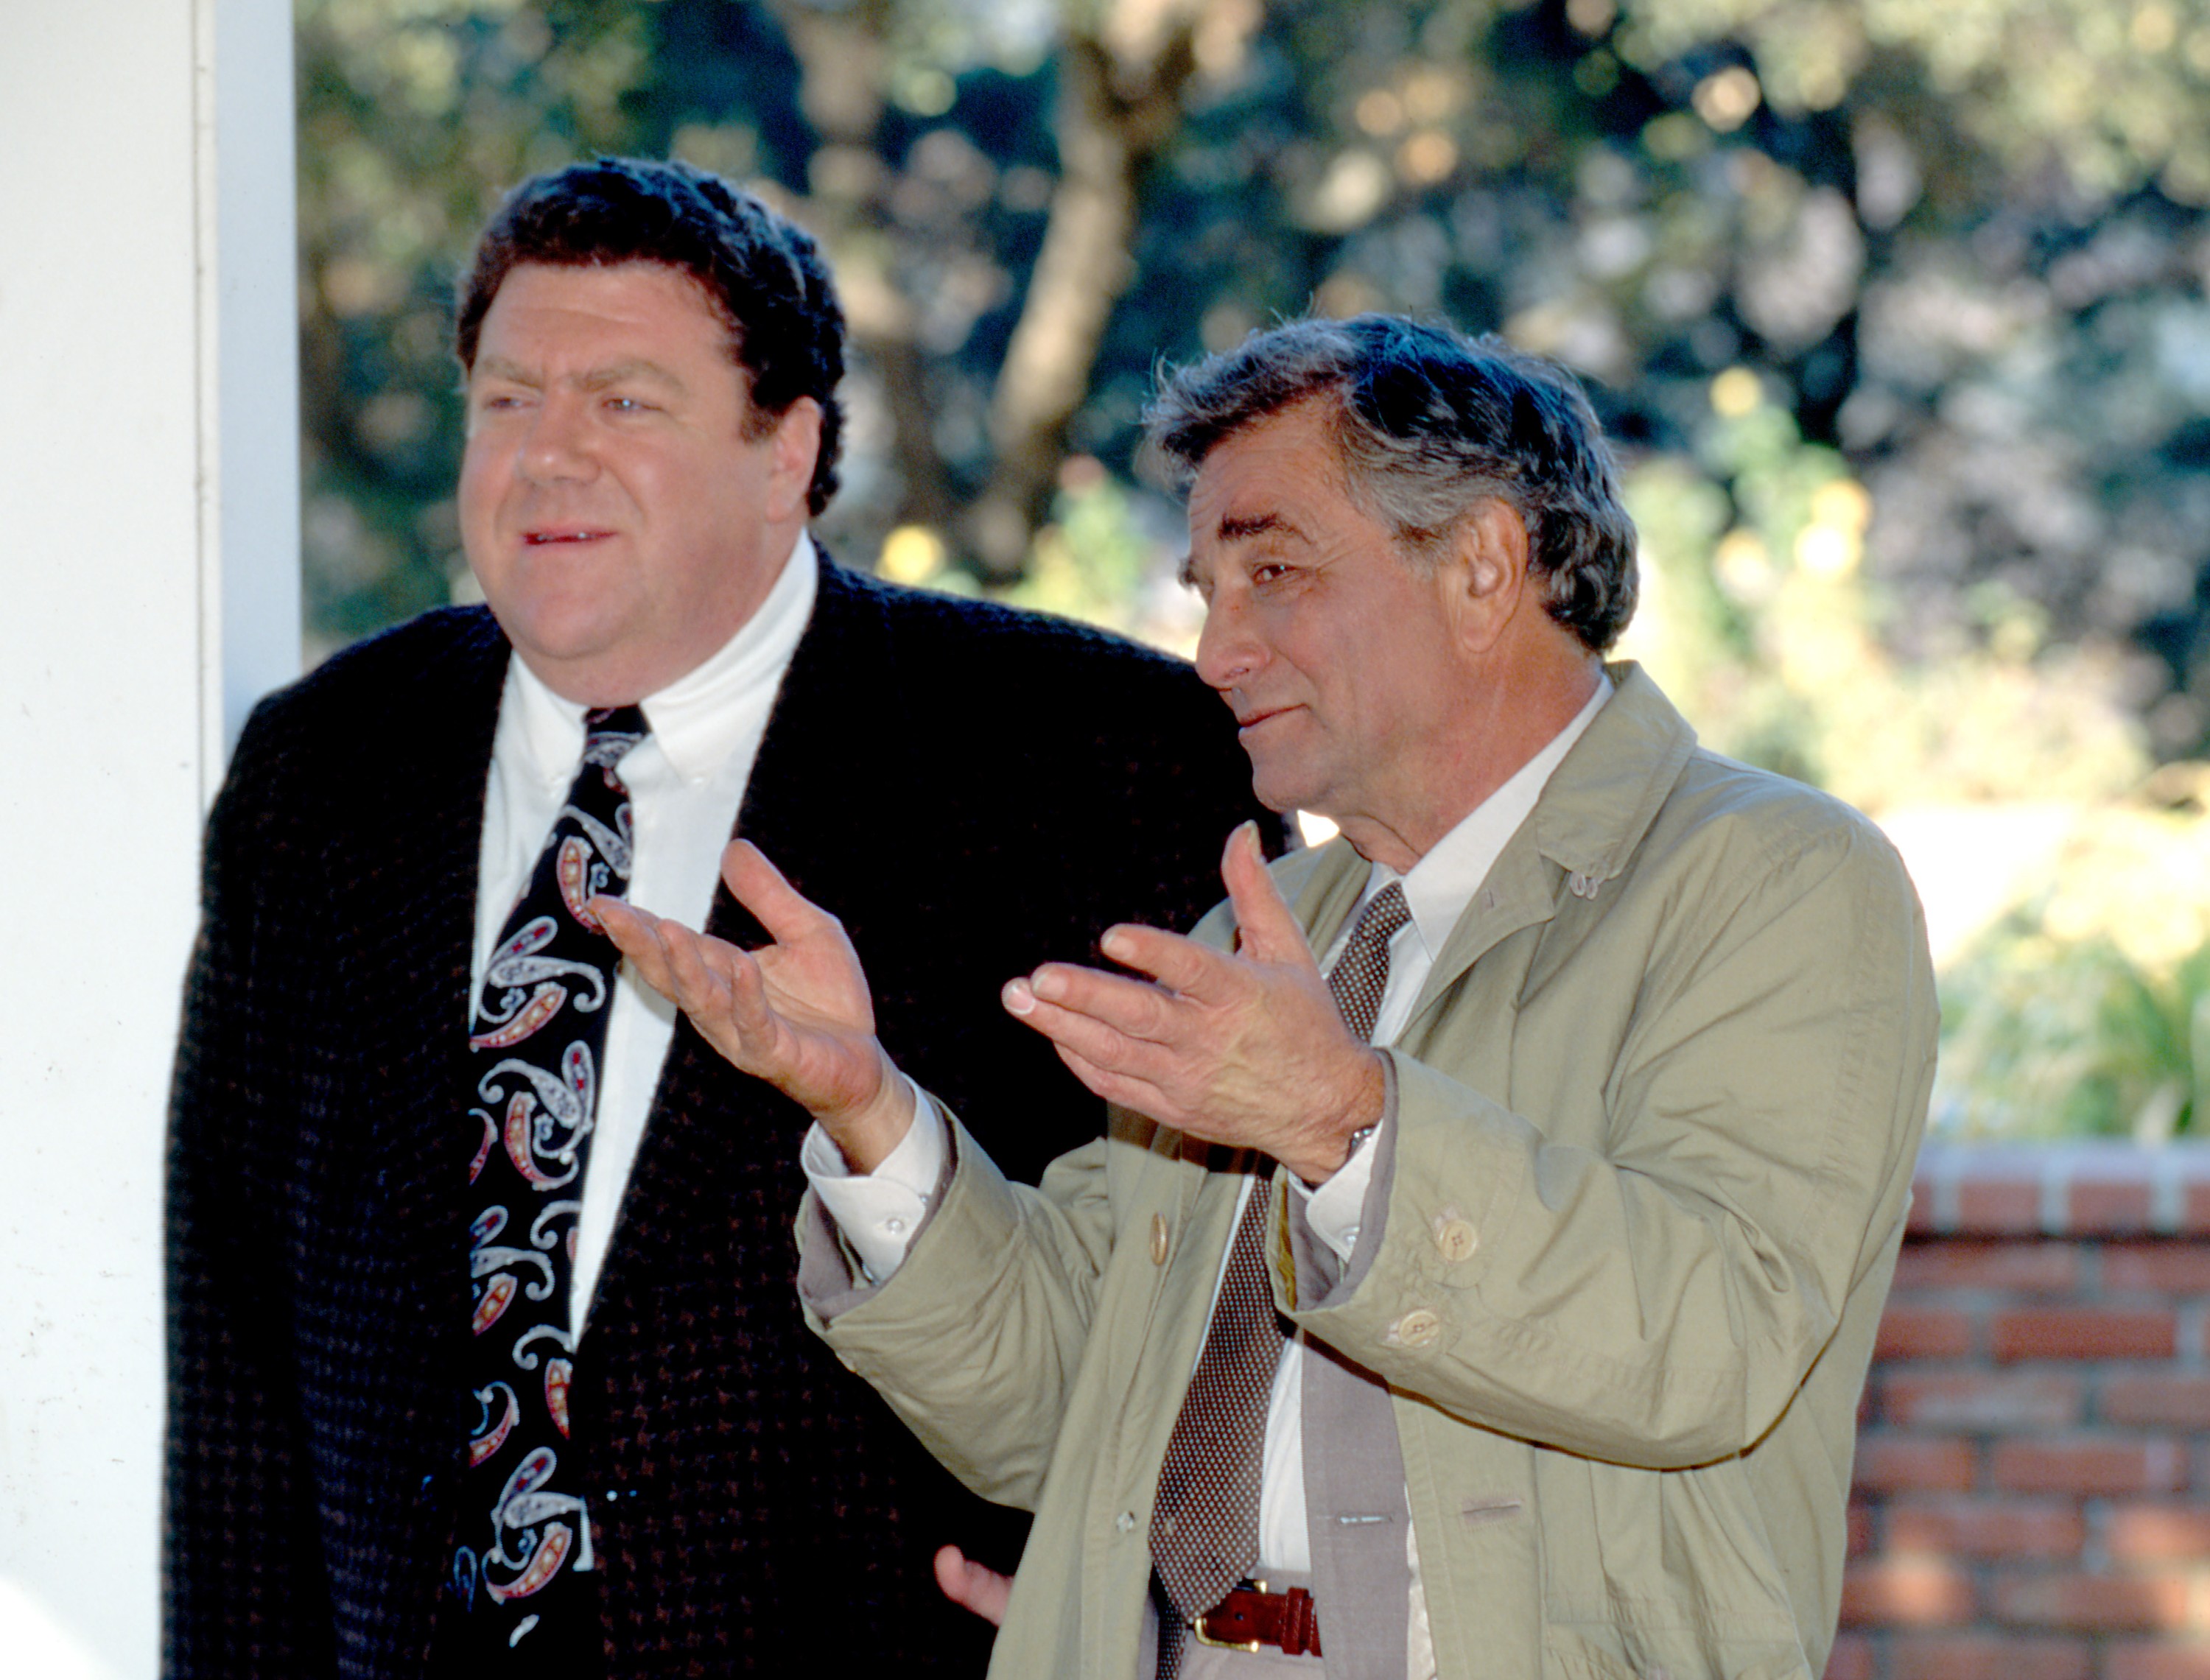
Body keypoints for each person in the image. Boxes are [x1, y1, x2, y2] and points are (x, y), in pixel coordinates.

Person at [601, 314, 1940, 1680]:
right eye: (1205, 590)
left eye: (1276, 573)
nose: (1215, 652)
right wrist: (872, 1112)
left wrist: (1344, 1122)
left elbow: (1713, 1336)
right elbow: (1073, 1394)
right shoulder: (1276, 925)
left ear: (1483, 566)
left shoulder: (1776, 877)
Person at [162, 156, 1280, 1680]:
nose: (547, 459)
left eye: (623, 403)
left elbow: (1226, 1294)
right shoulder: (324, 770)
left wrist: (1177, 1638)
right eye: (507, 400)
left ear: (785, 450)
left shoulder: (1096, 758)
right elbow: (235, 1359)